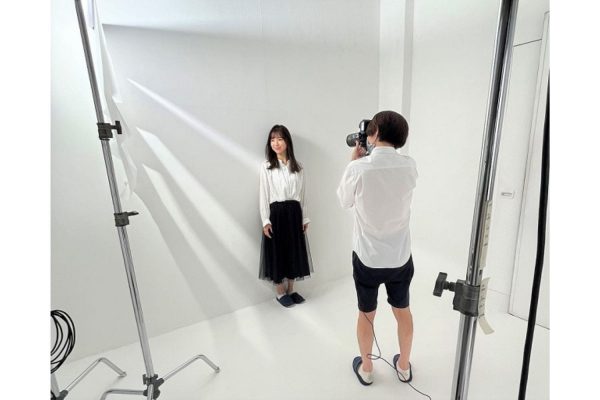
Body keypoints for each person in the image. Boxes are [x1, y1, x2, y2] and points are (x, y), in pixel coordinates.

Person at [337, 111, 418, 386]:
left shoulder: (358, 168)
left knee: (366, 313)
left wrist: (354, 162)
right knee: (403, 310)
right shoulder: (410, 166)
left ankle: (367, 368)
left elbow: (344, 201)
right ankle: (404, 366)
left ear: (374, 134)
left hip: (368, 257)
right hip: (399, 257)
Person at [259, 124, 313, 308]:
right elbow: (263, 195)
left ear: (287, 141)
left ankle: (291, 290)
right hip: (276, 213)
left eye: (280, 139)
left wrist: (305, 218)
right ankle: (280, 292)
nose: (276, 143)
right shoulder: (267, 167)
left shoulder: (298, 167)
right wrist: (265, 220)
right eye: (272, 140)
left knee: (294, 251)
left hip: (294, 213)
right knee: (278, 251)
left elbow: (303, 195)